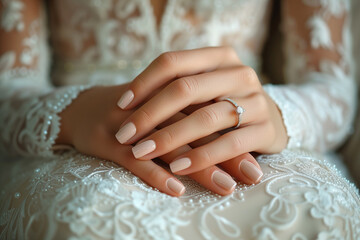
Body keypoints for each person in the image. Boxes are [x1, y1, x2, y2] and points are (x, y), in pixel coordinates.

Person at [0, 0, 359, 239]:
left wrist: (279, 114)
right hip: (91, 128)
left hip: (240, 123)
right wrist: (76, 111)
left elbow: (331, 82)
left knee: (317, 211)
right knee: (87, 219)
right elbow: (9, 84)